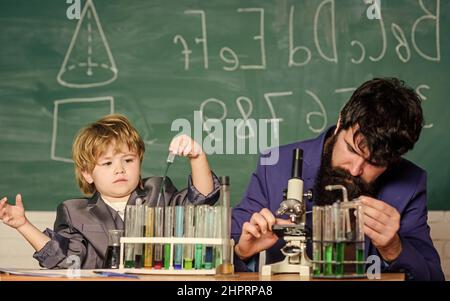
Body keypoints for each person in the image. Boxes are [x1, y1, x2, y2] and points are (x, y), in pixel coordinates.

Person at [231, 78, 444, 281]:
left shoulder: (409, 185)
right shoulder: (275, 165)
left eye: (375, 163)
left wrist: (393, 248)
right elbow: (222, 254)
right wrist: (241, 252)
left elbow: (432, 276)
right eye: (351, 149)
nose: (355, 169)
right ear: (341, 120)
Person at [0, 114, 220, 269]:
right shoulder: (74, 212)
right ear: (87, 174)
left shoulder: (158, 191)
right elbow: (64, 260)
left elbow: (201, 200)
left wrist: (197, 156)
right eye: (107, 163)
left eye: (128, 159)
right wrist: (23, 225)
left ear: (139, 162)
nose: (119, 169)